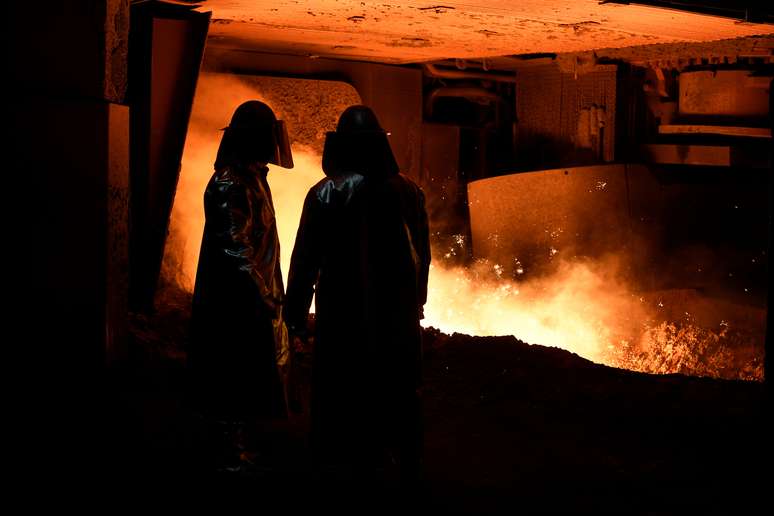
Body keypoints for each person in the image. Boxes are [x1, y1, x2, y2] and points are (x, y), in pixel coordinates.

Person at [284, 105, 431, 484]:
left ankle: (345, 461)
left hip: (343, 312)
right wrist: (417, 301)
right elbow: (423, 256)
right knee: (396, 383)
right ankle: (397, 457)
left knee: (343, 383)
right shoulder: (410, 192)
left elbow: (305, 258)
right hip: (396, 314)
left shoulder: (326, 193)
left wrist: (296, 312)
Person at [188, 100, 294, 470]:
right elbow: (236, 247)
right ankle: (228, 457)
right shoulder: (230, 184)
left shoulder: (250, 178)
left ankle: (237, 446)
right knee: (229, 374)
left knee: (243, 374)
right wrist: (261, 295)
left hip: (246, 298)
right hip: (233, 303)